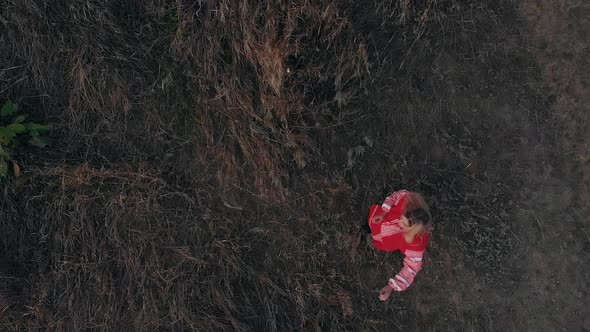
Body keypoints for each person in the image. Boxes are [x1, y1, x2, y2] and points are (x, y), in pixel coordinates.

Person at [366, 189, 432, 301]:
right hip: (383, 222)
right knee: (374, 224)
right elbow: (396, 195)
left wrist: (391, 287)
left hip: (388, 239)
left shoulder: (416, 244)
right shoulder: (408, 201)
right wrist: (384, 212)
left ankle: (373, 239)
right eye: (402, 217)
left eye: (404, 223)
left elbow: (411, 268)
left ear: (412, 230)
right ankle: (372, 232)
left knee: (379, 240)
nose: (400, 221)